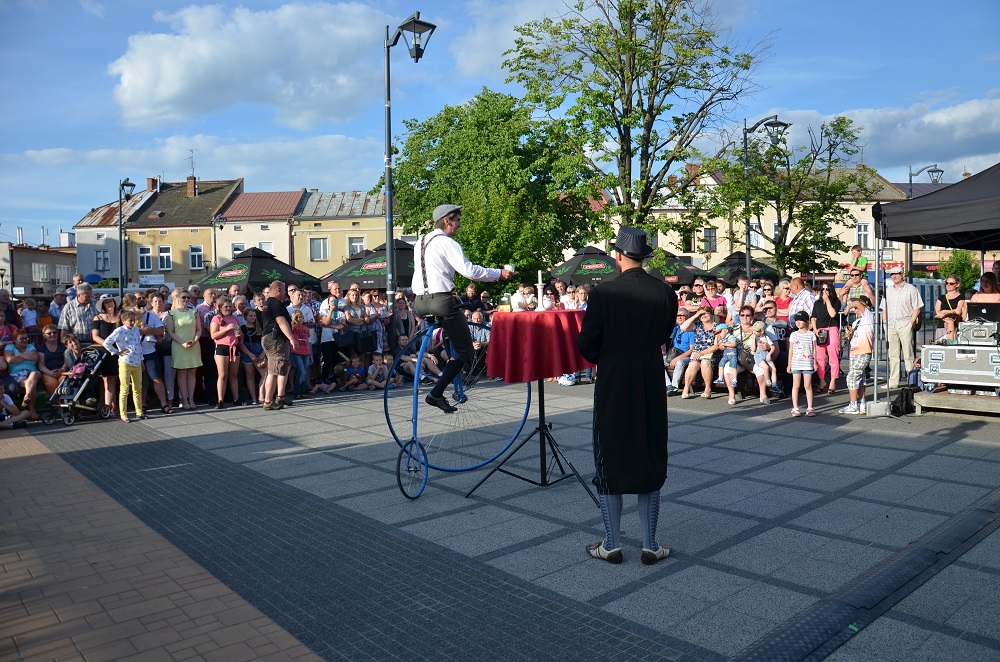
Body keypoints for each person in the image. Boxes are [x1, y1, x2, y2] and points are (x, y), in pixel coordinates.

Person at [578, 227, 676, 566]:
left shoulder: (604, 292)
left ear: (618, 256)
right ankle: (650, 544)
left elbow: (587, 344)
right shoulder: (665, 292)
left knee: (611, 451)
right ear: (644, 257)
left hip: (615, 378)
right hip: (649, 376)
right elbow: (664, 335)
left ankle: (612, 542)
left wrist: (609, 354)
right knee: (650, 452)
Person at [411, 204, 512, 413]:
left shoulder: (419, 242)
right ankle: (436, 393)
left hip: (420, 303)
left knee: (453, 330)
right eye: (457, 220)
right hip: (441, 300)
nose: (459, 225)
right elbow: (469, 271)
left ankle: (447, 368)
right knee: (465, 349)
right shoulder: (447, 242)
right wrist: (498, 273)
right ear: (447, 221)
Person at [881, 266, 923, 389]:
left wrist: (910, 323)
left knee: (908, 354)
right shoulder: (888, 290)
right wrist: (885, 322)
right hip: (891, 324)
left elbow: (917, 307)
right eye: (892, 274)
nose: (894, 276)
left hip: (904, 323)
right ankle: (894, 381)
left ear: (902, 274)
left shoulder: (911, 289)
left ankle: (912, 380)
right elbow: (884, 308)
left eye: (897, 274)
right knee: (893, 355)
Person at [102, 309, 145, 423]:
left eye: (133, 320)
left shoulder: (136, 330)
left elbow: (138, 345)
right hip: (125, 361)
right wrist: (117, 352)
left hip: (136, 361)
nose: (132, 322)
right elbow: (107, 342)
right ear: (123, 321)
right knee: (124, 388)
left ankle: (139, 411)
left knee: (137, 387)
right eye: (130, 320)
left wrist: (141, 360)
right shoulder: (119, 331)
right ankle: (123, 413)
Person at [260, 280, 297, 410]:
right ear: (279, 290)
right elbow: (280, 321)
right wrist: (292, 339)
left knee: (281, 367)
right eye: (284, 290)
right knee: (273, 371)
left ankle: (281, 396)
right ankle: (268, 401)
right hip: (275, 339)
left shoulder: (269, 303)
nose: (286, 293)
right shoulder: (274, 302)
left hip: (273, 338)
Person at [165, 290, 202, 410]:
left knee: (192, 372)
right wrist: (182, 343)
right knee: (181, 373)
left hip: (193, 345)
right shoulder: (171, 313)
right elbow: (170, 331)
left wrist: (195, 341)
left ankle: (191, 399)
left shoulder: (194, 311)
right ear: (177, 299)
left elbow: (199, 329)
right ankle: (184, 400)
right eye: (184, 297)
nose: (186, 300)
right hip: (179, 345)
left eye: (188, 298)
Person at [839, 296, 875, 415]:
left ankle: (853, 404)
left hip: (863, 351)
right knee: (860, 378)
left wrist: (849, 306)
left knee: (852, 377)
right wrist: (849, 335)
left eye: (858, 307)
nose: (856, 309)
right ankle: (862, 403)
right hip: (855, 351)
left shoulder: (868, 316)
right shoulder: (856, 322)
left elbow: (857, 304)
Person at [138, 297, 171, 414]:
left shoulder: (151, 316)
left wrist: (149, 330)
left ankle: (164, 404)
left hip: (150, 351)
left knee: (156, 378)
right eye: (137, 301)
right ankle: (141, 406)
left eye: (142, 302)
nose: (139, 305)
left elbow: (161, 331)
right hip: (135, 354)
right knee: (140, 381)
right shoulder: (129, 316)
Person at [210, 300, 242, 408]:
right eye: (226, 307)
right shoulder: (217, 318)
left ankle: (236, 398)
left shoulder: (235, 318)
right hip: (222, 348)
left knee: (234, 375)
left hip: (234, 347)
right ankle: (220, 400)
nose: (228, 309)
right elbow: (213, 335)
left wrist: (239, 333)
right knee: (223, 375)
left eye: (229, 306)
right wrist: (226, 329)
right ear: (220, 308)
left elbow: (240, 336)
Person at [91, 295, 121, 414]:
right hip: (103, 351)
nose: (109, 304)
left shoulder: (119, 317)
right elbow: (95, 336)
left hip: (117, 351)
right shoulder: (98, 318)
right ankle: (107, 407)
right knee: (106, 379)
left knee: (114, 379)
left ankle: (113, 406)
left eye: (111, 301)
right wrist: (108, 345)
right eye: (106, 302)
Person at [4, 329, 42, 419]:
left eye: (26, 338)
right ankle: (32, 411)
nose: (25, 340)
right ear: (15, 340)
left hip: (32, 371)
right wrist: (27, 356)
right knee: (31, 384)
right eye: (22, 338)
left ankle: (27, 395)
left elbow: (35, 357)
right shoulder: (10, 347)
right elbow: (10, 360)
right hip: (17, 374)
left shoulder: (30, 347)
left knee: (34, 375)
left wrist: (18, 355)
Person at [811, 284, 841, 394]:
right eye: (822, 289)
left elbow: (833, 314)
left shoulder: (836, 302)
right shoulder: (817, 303)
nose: (824, 291)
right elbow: (813, 317)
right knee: (820, 358)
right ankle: (822, 381)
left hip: (831, 329)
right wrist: (815, 329)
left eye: (827, 289)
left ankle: (833, 381)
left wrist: (828, 301)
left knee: (833, 356)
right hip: (820, 330)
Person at [787, 310, 818, 417]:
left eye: (800, 320)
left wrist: (815, 363)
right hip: (796, 363)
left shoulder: (811, 335)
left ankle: (810, 407)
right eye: (796, 320)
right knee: (796, 385)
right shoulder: (793, 335)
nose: (798, 322)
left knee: (807, 385)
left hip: (807, 363)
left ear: (806, 321)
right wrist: (789, 364)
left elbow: (814, 349)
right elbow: (790, 350)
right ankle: (795, 407)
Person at [238, 308, 266, 405]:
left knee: (265, 375)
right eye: (250, 315)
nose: (253, 317)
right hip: (247, 353)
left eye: (254, 315)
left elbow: (265, 342)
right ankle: (253, 398)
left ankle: (261, 395)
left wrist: (263, 353)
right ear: (245, 316)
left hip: (259, 352)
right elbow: (241, 344)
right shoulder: (242, 328)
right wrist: (250, 354)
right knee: (250, 375)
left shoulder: (259, 328)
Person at [288, 310, 312, 397]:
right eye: (297, 318)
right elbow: (290, 330)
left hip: (306, 352)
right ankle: (296, 390)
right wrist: (293, 320)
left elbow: (308, 342)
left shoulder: (306, 329)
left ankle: (302, 390)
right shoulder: (294, 328)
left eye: (300, 317)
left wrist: (310, 354)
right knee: (301, 371)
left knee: (304, 372)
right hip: (297, 353)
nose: (299, 319)